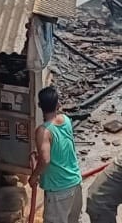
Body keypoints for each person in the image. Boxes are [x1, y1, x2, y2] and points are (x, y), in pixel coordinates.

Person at [29, 87, 83, 223]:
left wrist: (33, 177)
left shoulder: (43, 131)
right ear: (58, 104)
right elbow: (60, 146)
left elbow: (45, 160)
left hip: (59, 191)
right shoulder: (65, 120)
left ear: (39, 105)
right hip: (75, 184)